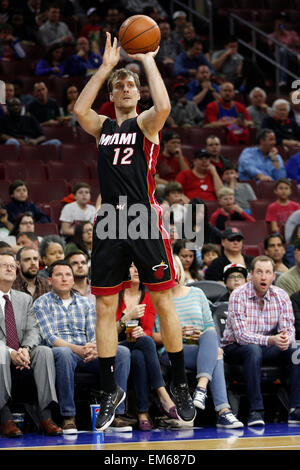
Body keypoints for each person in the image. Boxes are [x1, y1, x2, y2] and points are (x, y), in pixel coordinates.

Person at [73, 32, 196, 430]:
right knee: (105, 308)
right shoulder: (103, 126)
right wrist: (106, 68)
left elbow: (164, 103)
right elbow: (78, 108)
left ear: (138, 93)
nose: (125, 89)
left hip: (143, 217)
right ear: (112, 94)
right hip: (109, 220)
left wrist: (146, 60)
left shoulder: (147, 122)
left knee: (162, 301)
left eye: (131, 85)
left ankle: (178, 382)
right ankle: (110, 388)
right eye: (119, 86)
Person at [34, 259, 132, 433]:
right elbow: (50, 337)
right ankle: (68, 417)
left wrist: (94, 348)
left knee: (122, 352)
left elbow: (95, 333)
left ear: (73, 279)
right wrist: (77, 349)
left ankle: (116, 414)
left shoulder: (86, 303)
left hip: (87, 352)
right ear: (49, 280)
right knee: (63, 353)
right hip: (64, 352)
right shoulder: (41, 303)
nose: (64, 279)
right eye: (59, 275)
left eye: (68, 275)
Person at [153, 255, 244, 429]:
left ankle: (201, 389)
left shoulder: (197, 293)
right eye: (168, 270)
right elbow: (154, 336)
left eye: (175, 268)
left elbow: (209, 325)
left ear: (180, 271)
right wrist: (175, 334)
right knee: (216, 354)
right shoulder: (159, 298)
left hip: (200, 346)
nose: (172, 273)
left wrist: (198, 335)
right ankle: (223, 411)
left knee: (210, 335)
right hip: (171, 351)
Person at [221, 255, 300, 427]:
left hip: (268, 346)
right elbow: (241, 336)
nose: (263, 277)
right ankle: (256, 411)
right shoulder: (238, 295)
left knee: (297, 350)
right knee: (252, 350)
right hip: (236, 348)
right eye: (259, 272)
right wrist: (271, 339)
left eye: (267, 272)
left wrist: (286, 340)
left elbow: (289, 330)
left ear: (274, 276)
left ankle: (296, 409)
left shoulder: (281, 296)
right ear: (251, 275)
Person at [0, 251, 62, 437]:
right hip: (3, 352)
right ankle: (4, 418)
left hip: (21, 351)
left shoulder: (24, 299)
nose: (10, 268)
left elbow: (33, 330)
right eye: (4, 265)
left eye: (12, 265)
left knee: (44, 351)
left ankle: (45, 416)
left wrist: (26, 349)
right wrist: (10, 352)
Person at [116, 263, 178, 430]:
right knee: (145, 344)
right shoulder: (115, 296)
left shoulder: (148, 297)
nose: (136, 270)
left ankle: (142, 412)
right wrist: (125, 319)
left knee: (140, 352)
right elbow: (107, 333)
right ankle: (162, 394)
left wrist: (140, 332)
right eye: (131, 266)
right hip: (116, 346)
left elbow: (149, 331)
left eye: (139, 266)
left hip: (138, 345)